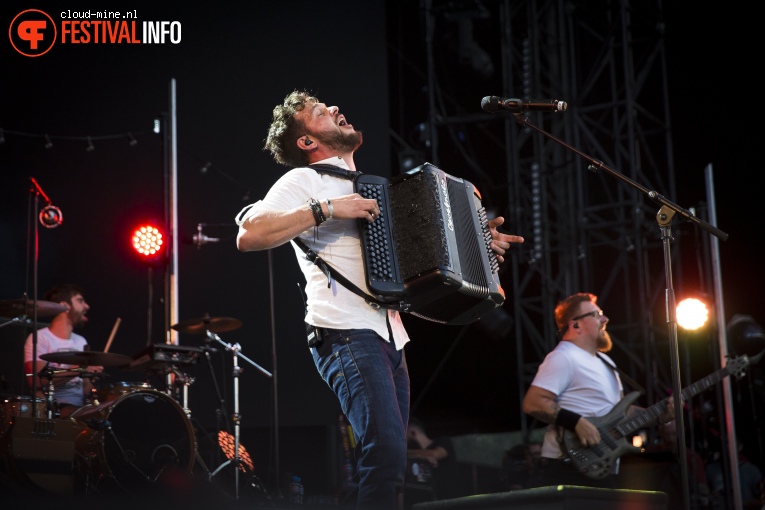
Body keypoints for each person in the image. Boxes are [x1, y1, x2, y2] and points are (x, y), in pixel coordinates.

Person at [235, 89, 524, 509]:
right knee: (385, 454)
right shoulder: (306, 180)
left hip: (390, 338)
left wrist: (479, 245)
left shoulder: (375, 190)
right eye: (320, 111)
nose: (334, 108)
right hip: (346, 333)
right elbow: (250, 234)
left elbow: (418, 261)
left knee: (391, 462)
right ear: (306, 142)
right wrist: (328, 208)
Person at [521, 292, 674, 489]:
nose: (605, 319)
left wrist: (661, 415)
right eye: (596, 314)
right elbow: (534, 402)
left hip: (603, 467)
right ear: (575, 325)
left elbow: (623, 412)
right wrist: (576, 422)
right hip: (569, 467)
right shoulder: (563, 356)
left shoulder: (606, 362)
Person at [23, 284, 102, 419]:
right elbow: (36, 382)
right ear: (65, 305)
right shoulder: (39, 338)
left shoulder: (81, 341)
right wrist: (81, 368)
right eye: (80, 300)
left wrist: (98, 396)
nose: (87, 306)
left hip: (79, 408)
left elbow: (85, 385)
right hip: (52, 409)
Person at [405, 417, 469, 501]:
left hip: (451, 500)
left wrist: (404, 452)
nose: (404, 440)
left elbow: (435, 454)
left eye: (405, 436)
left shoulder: (443, 441)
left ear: (413, 433)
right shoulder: (416, 457)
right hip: (431, 500)